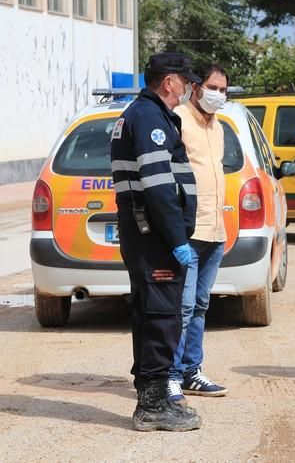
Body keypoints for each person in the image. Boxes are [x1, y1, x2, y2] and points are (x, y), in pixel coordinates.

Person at [110, 52, 202, 431]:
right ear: (169, 82)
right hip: (154, 235)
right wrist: (177, 237)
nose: (190, 87)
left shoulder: (145, 114)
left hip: (148, 233)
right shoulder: (149, 117)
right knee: (162, 318)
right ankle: (151, 407)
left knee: (151, 316)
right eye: (187, 80)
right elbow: (159, 186)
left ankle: (157, 394)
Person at [167, 65, 229, 404]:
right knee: (183, 306)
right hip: (188, 232)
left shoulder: (218, 126)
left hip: (215, 230)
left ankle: (192, 370)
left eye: (222, 88)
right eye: (211, 86)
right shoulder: (178, 120)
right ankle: (172, 375)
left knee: (202, 305)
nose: (217, 93)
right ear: (195, 87)